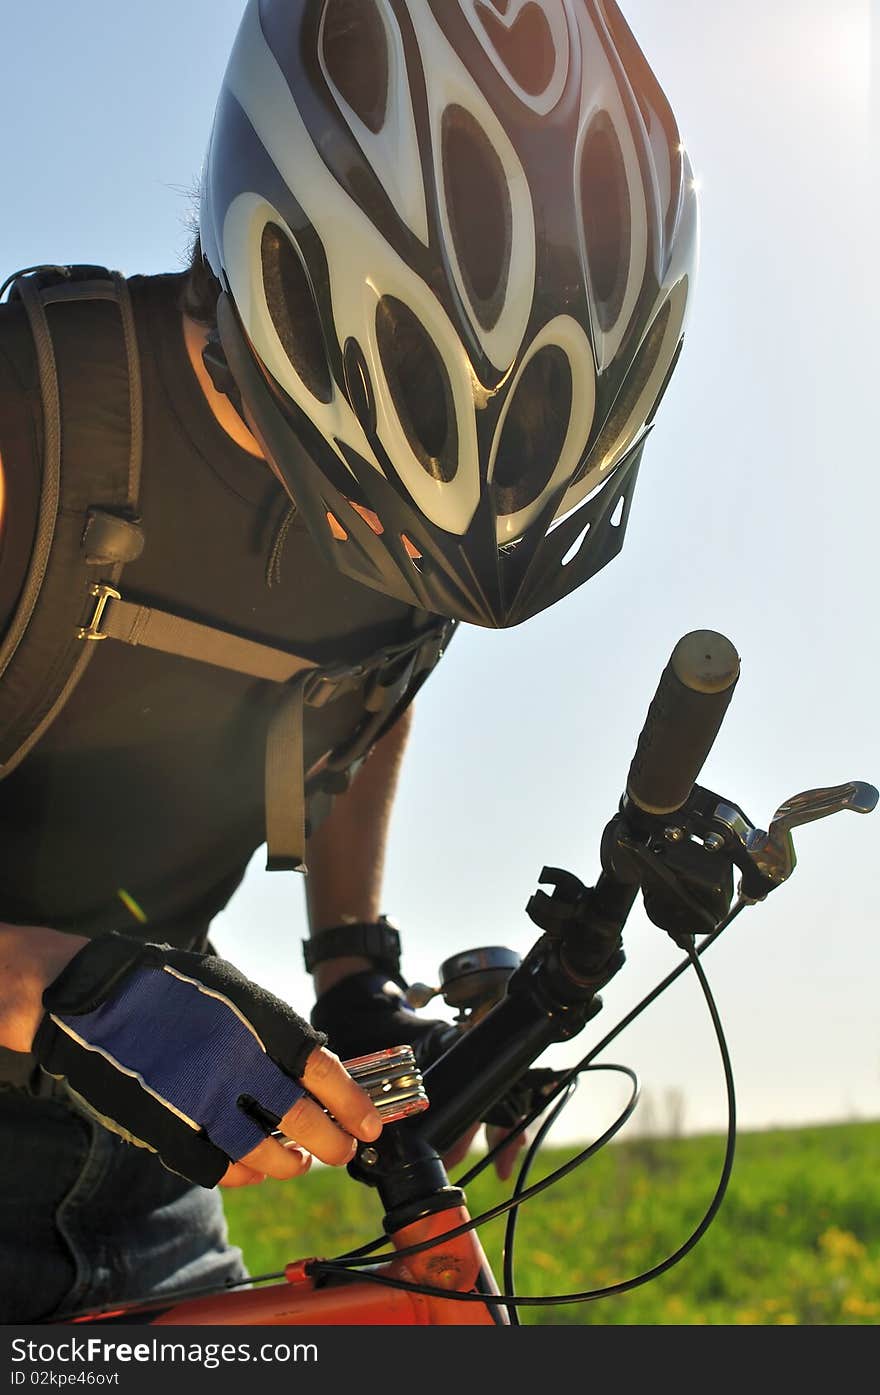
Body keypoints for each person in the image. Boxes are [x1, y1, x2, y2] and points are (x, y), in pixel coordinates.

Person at [0, 0, 698, 1323]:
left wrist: (353, 975)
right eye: (380, 518)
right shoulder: (33, 426)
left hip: (147, 1184)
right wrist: (48, 981)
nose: (389, 559)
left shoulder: (417, 525)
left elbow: (362, 712)